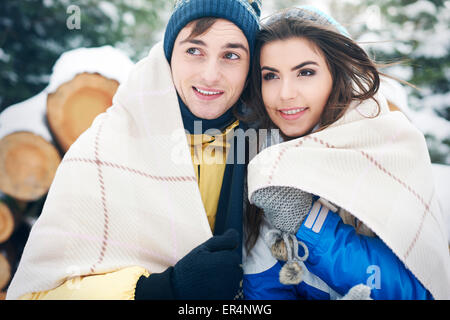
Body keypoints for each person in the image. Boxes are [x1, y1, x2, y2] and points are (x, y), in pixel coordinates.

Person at [6, 0, 261, 300]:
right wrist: (158, 291)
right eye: (194, 50)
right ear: (169, 55)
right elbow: (34, 294)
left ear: (250, 66)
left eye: (231, 55)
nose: (210, 74)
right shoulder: (104, 148)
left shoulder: (269, 150)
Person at [241, 6, 450, 300]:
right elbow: (265, 287)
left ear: (340, 74)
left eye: (305, 72)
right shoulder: (267, 159)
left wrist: (308, 222)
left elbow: (422, 289)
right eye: (271, 76)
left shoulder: (389, 144)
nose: (285, 93)